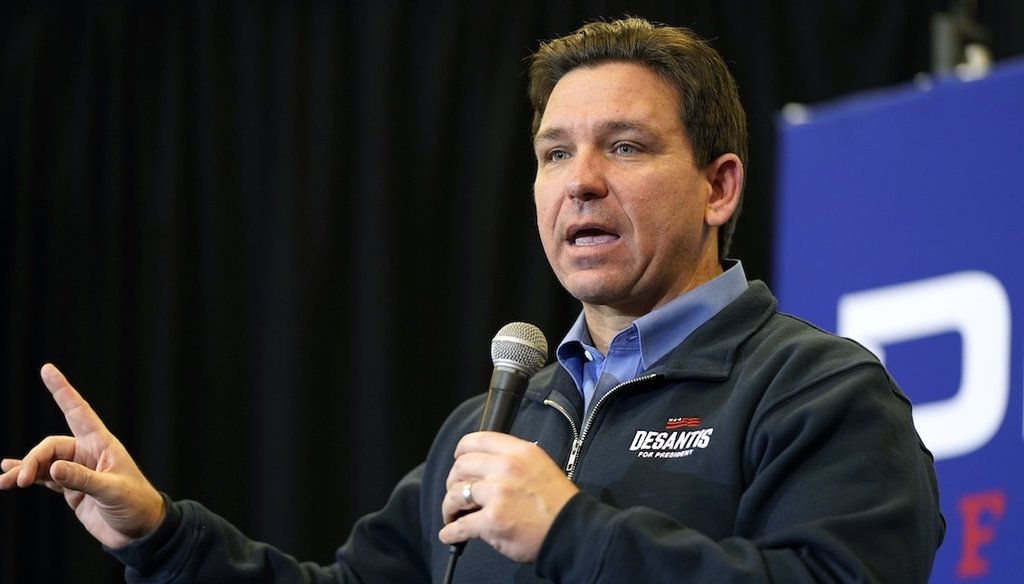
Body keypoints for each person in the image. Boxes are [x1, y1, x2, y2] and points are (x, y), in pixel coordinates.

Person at [1, 16, 944, 583]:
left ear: (720, 186)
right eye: (552, 153)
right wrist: (162, 537)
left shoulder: (817, 392)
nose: (579, 182)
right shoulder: (494, 424)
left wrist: (573, 532)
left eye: (624, 147)